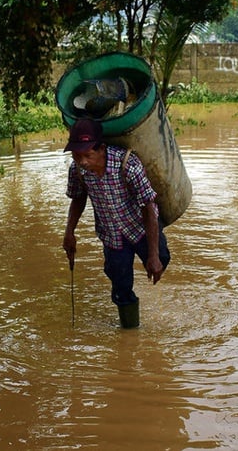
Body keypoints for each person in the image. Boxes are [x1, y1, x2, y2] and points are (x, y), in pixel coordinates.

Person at [62, 118, 171, 329]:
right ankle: (130, 332)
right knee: (120, 288)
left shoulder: (128, 165)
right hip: (112, 236)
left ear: (101, 149)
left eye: (87, 155)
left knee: (161, 260)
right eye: (76, 155)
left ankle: (153, 259)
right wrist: (69, 232)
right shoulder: (77, 171)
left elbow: (148, 207)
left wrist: (154, 255)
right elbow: (78, 199)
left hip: (139, 227)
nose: (82, 161)